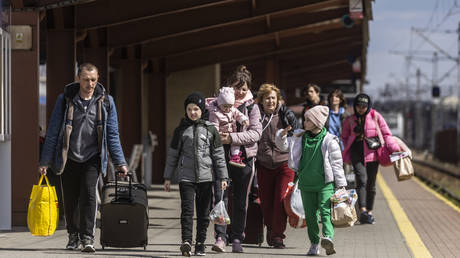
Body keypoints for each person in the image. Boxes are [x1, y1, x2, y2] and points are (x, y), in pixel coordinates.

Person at [39, 63, 128, 253]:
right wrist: (45, 161)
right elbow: (53, 132)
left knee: (88, 195)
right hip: (68, 156)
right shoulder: (65, 100)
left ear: (98, 79)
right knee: (70, 198)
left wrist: (120, 162)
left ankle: (87, 237)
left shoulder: (106, 102)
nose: (90, 84)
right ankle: (73, 236)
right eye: (86, 79)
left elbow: (112, 135)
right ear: (78, 78)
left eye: (94, 80)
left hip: (92, 157)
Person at [275, 105, 347, 256]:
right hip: (305, 184)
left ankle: (328, 237)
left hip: (325, 185)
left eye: (307, 120)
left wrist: (341, 185)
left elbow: (337, 164)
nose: (304, 122)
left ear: (317, 122)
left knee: (325, 211)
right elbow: (283, 146)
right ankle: (314, 243)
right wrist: (282, 135)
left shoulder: (329, 140)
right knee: (310, 216)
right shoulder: (299, 136)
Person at [163, 92, 228, 257]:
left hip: (206, 178)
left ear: (202, 110)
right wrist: (168, 177)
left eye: (196, 109)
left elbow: (219, 155)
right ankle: (186, 241)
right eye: (189, 109)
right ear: (185, 110)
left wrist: (223, 177)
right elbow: (173, 156)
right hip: (186, 178)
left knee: (203, 214)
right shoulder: (180, 130)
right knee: (186, 211)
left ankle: (200, 243)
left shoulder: (211, 130)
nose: (193, 112)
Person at [212, 65, 262, 253]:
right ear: (228, 86)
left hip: (245, 159)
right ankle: (220, 237)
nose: (239, 92)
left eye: (243, 88)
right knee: (220, 197)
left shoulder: (253, 107)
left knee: (241, 200)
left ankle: (237, 238)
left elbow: (256, 133)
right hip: (220, 157)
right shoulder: (215, 105)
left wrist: (231, 138)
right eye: (236, 87)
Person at [341, 93, 400, 224]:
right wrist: (346, 151)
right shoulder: (349, 120)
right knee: (361, 180)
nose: (361, 108)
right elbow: (343, 137)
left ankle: (369, 211)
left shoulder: (376, 116)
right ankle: (362, 210)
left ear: (368, 106)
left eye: (364, 106)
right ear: (355, 106)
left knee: (371, 184)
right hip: (356, 153)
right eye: (358, 105)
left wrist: (395, 148)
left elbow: (386, 134)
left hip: (373, 153)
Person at [255, 83, 299, 248]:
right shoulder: (256, 115)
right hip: (264, 164)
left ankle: (278, 236)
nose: (270, 101)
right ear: (261, 100)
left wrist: (292, 123)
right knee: (266, 202)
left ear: (278, 99)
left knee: (281, 201)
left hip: (284, 164)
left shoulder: (285, 114)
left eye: (273, 98)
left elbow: (297, 133)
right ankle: (271, 228)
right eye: (267, 98)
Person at [208, 87, 249, 168]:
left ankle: (235, 157)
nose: (228, 109)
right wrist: (216, 134)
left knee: (236, 143)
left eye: (230, 106)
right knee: (219, 149)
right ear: (220, 104)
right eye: (225, 106)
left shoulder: (232, 109)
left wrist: (243, 119)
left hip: (232, 132)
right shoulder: (215, 113)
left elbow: (238, 114)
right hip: (221, 134)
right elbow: (214, 125)